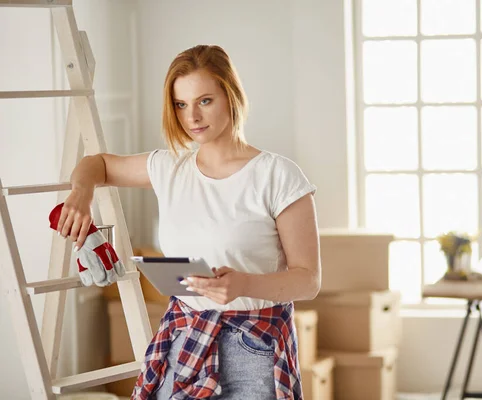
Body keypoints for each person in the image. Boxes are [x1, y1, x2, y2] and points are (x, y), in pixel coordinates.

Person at [55, 44, 320, 399]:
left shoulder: (278, 175)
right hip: (185, 338)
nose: (192, 116)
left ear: (231, 96)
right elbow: (97, 164)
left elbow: (308, 281)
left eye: (204, 101)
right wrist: (81, 193)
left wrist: (243, 284)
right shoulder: (170, 167)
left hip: (254, 348)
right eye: (181, 104)